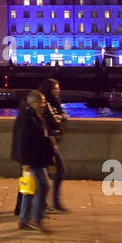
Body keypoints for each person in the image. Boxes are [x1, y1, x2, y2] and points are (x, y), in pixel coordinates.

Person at [10, 89, 54, 231]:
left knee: (29, 189)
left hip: (36, 159)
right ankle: (34, 218)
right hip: (31, 161)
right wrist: (25, 164)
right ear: (33, 103)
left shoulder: (35, 116)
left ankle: (26, 219)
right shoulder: (27, 118)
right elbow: (22, 142)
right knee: (37, 187)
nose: (43, 104)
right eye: (41, 102)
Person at [40, 78, 68, 212]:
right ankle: (49, 203)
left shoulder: (54, 103)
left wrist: (60, 118)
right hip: (47, 143)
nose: (58, 91)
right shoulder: (45, 104)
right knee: (59, 170)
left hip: (51, 141)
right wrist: (60, 118)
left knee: (38, 176)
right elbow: (53, 122)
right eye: (55, 88)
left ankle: (45, 204)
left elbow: (61, 118)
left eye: (58, 88)